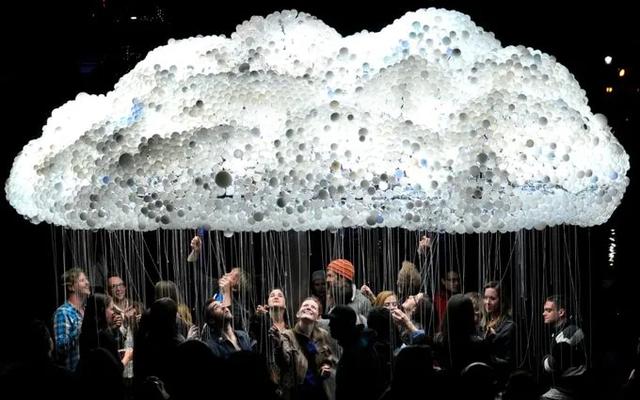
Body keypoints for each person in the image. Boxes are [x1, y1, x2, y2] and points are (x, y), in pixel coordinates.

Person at [274, 298, 336, 400]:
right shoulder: (287, 335)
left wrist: (326, 366)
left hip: (319, 392)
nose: (308, 308)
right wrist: (278, 345)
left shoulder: (323, 334)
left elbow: (328, 358)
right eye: (305, 306)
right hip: (297, 393)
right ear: (298, 314)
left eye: (313, 307)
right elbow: (285, 361)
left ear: (318, 317)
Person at [541, 295, 587, 400]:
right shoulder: (557, 332)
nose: (544, 313)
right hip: (560, 386)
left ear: (561, 312)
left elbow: (552, 365)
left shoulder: (571, 331)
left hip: (570, 388)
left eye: (548, 310)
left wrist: (545, 359)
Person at [53, 268, 91, 371]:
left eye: (86, 279)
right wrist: (80, 328)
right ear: (71, 287)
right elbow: (60, 348)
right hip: (74, 374)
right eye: (82, 280)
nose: (87, 283)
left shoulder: (88, 311)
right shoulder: (63, 312)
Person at [482, 280, 515, 379]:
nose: (487, 302)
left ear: (502, 300)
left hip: (498, 376)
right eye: (485, 298)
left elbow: (508, 361)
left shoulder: (508, 326)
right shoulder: (483, 322)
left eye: (492, 298)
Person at [325, 259, 370, 324]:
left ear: (342, 278)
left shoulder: (363, 302)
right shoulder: (328, 298)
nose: (327, 280)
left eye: (330, 276)